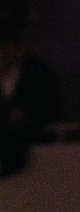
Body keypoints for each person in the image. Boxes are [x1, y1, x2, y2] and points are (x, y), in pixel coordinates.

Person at [0, 11, 60, 177]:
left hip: (40, 156)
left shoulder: (39, 75)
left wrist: (23, 117)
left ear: (16, 49)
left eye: (5, 46)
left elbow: (47, 112)